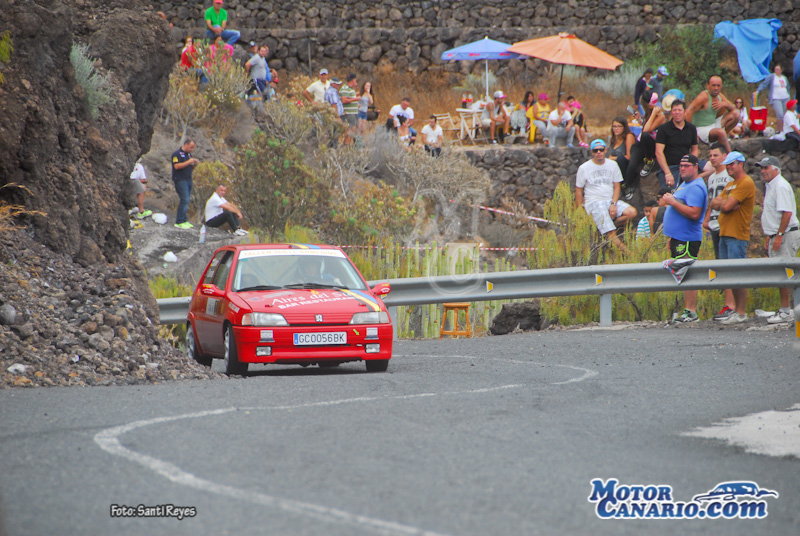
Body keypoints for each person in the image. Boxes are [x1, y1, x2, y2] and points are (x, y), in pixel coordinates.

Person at [708, 151, 756, 324]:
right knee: (729, 275)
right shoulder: (730, 184)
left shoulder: (745, 182)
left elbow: (726, 206)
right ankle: (736, 310)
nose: (728, 167)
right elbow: (714, 203)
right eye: (727, 164)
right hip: (724, 234)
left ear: (740, 164)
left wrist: (726, 203)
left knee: (738, 275)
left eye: (732, 164)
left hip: (737, 235)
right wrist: (726, 203)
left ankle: (741, 312)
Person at [662, 154, 708, 323]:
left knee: (687, 273)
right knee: (682, 273)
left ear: (696, 167)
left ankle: (691, 311)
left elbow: (695, 213)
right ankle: (687, 310)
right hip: (679, 237)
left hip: (687, 238)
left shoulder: (696, 187)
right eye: (681, 165)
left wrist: (673, 202)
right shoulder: (685, 184)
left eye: (686, 166)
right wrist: (672, 236)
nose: (682, 168)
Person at [757, 155, 800, 324]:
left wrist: (779, 235)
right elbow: (774, 214)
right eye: (762, 168)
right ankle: (785, 309)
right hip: (778, 234)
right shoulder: (771, 186)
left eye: (766, 168)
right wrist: (770, 235)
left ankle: (786, 311)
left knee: (785, 273)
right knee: (781, 273)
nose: (763, 171)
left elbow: (787, 213)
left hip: (786, 234)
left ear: (776, 169)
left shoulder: (780, 185)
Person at [575, 139, 637, 250]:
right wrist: (580, 209)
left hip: (609, 200)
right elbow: (578, 190)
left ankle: (604, 228)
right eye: (595, 150)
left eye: (601, 149)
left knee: (632, 212)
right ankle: (629, 254)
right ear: (592, 152)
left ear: (605, 150)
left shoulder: (613, 165)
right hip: (594, 202)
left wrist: (613, 203)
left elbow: (617, 186)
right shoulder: (584, 168)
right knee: (611, 233)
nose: (598, 152)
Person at [701, 143, 736, 321]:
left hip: (726, 223)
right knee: (721, 265)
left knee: (729, 266)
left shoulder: (728, 176)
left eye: (716, 155)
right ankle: (728, 304)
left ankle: (732, 305)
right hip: (714, 225)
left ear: (724, 156)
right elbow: (711, 201)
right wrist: (707, 219)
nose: (712, 158)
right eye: (710, 155)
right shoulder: (712, 177)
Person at [686, 75, 738, 153]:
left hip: (713, 125)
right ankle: (729, 155)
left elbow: (734, 108)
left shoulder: (720, 96)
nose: (716, 88)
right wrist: (691, 133)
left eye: (718, 86)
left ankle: (723, 137)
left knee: (736, 114)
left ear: (721, 87)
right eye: (713, 85)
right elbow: (688, 112)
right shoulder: (703, 97)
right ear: (707, 86)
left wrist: (724, 104)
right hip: (701, 129)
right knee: (720, 132)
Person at [655, 99, 698, 190]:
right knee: (670, 191)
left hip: (687, 163)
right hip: (671, 165)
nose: (677, 113)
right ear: (671, 112)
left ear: (684, 112)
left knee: (710, 168)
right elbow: (658, 152)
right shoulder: (664, 129)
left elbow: (694, 149)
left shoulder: (691, 128)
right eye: (674, 110)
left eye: (679, 110)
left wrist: (692, 163)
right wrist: (667, 173)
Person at [171, 139, 199, 229]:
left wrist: (194, 164)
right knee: (185, 199)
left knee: (187, 200)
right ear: (186, 144)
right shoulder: (177, 154)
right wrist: (189, 162)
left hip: (188, 179)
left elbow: (189, 167)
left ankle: (184, 219)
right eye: (191, 147)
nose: (192, 149)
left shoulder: (189, 155)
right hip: (180, 180)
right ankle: (179, 221)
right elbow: (176, 166)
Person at [757, 64, 791, 131]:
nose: (776, 71)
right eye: (775, 69)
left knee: (785, 115)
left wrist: (789, 95)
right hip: (776, 98)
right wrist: (758, 90)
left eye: (778, 69)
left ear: (781, 70)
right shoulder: (771, 77)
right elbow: (764, 84)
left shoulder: (784, 78)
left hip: (785, 97)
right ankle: (779, 130)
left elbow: (787, 87)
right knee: (780, 114)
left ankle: (785, 130)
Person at [340, 73, 360, 143]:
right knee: (349, 130)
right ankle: (346, 145)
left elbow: (350, 97)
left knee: (354, 130)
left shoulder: (351, 89)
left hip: (353, 112)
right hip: (348, 113)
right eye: (355, 80)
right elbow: (344, 100)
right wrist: (356, 99)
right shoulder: (345, 88)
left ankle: (351, 144)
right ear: (353, 80)